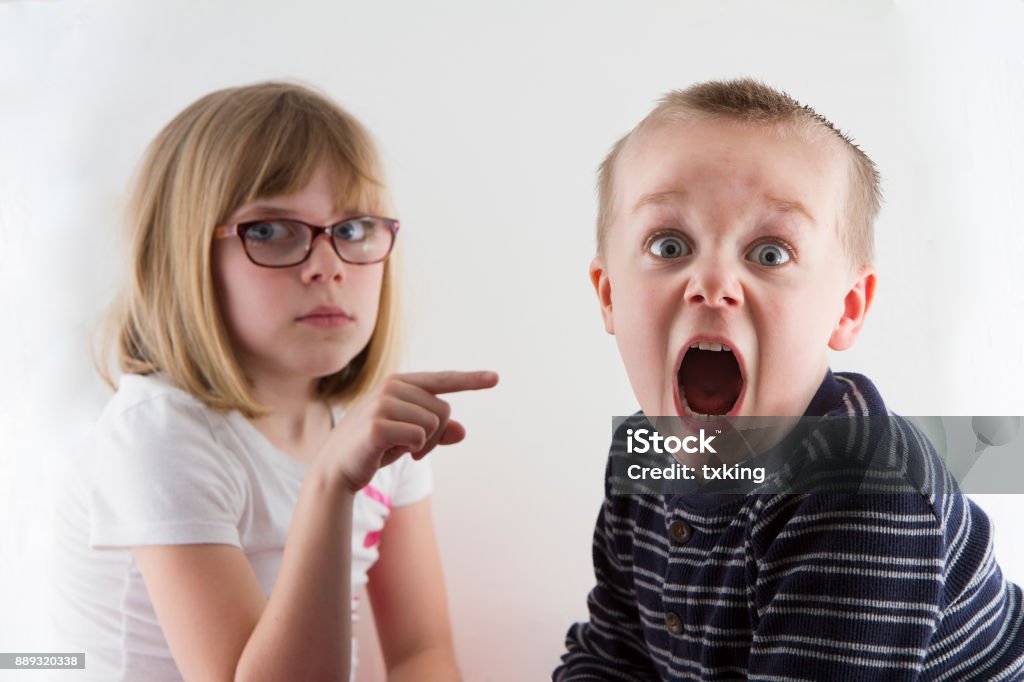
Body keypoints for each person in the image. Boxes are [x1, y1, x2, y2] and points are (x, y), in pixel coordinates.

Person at [555, 78, 1024, 679]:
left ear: (847, 308)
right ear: (609, 295)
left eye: (770, 253)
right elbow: (614, 651)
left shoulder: (863, 488)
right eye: (670, 245)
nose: (712, 282)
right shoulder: (642, 456)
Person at [50, 81, 497, 681]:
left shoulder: (372, 424)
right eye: (270, 230)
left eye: (354, 229)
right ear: (184, 256)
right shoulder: (157, 434)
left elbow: (422, 652)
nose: (327, 266)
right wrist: (332, 481)